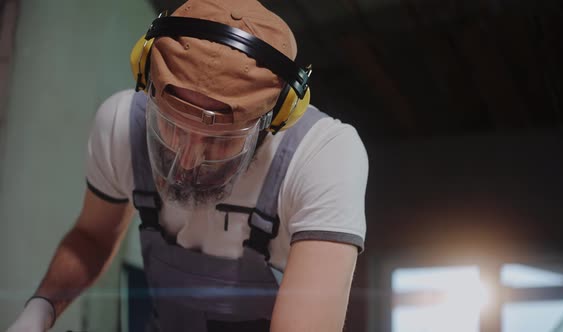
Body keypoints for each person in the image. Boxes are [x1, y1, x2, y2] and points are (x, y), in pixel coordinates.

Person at [6, 0, 368, 330]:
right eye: (172, 125)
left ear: (272, 120)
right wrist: (40, 310)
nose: (187, 159)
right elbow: (91, 236)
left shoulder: (323, 156)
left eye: (219, 138)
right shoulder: (119, 125)